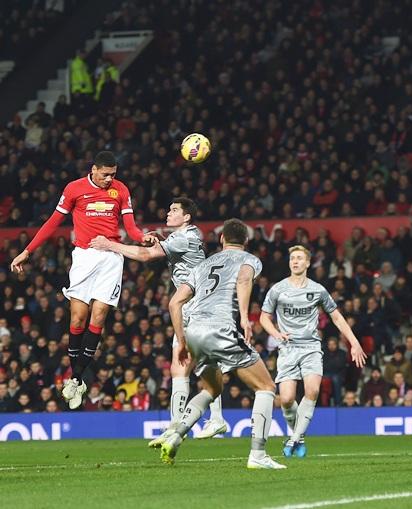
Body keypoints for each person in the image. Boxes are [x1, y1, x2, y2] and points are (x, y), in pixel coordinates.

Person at [10, 151, 151, 409]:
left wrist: (143, 238)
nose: (110, 179)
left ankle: (76, 378)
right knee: (77, 318)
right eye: (106, 174)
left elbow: (130, 227)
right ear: (94, 170)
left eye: (113, 174)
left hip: (110, 257)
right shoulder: (75, 188)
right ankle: (77, 377)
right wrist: (27, 251)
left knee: (98, 317)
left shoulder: (120, 190)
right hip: (84, 258)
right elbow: (53, 222)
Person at [90, 198, 227, 440]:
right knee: (182, 366)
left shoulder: (184, 237)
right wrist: (163, 241)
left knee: (194, 365)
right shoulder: (189, 235)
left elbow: (145, 255)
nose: (168, 212)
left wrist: (110, 245)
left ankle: (210, 420)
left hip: (196, 305)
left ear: (186, 217)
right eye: (169, 208)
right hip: (194, 305)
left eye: (174, 210)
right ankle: (181, 426)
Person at [161, 218, 285, 469]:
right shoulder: (249, 259)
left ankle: (175, 434)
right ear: (246, 241)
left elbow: (174, 303)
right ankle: (258, 456)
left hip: (194, 331)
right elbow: (244, 279)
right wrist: (244, 318)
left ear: (221, 239)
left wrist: (182, 341)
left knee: (211, 389)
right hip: (221, 328)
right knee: (266, 387)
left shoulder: (203, 265)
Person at [260, 245, 366, 458]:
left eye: (299, 258)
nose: (295, 261)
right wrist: (275, 333)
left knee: (313, 391)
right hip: (287, 348)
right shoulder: (278, 289)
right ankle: (298, 435)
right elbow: (264, 317)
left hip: (310, 347)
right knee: (287, 399)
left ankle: (294, 440)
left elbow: (336, 317)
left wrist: (354, 342)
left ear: (308, 263)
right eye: (292, 258)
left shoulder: (317, 290)